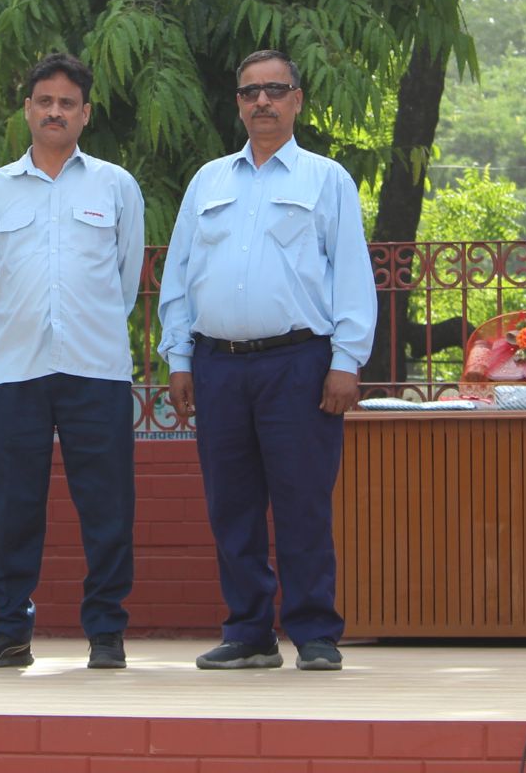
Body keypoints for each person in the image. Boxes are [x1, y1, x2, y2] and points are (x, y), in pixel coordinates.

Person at [159, 49, 377, 673]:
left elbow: (352, 275)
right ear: (237, 103)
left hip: (299, 363)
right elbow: (180, 275)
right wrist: (179, 357)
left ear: (297, 101)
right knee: (232, 505)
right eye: (251, 91)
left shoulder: (326, 180)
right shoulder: (208, 182)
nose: (263, 101)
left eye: (276, 90)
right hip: (218, 365)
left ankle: (315, 632)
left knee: (303, 501)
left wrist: (346, 361)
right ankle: (249, 632)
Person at [0, 54, 145, 669]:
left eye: (67, 103)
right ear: (27, 109)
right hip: (14, 371)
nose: (54, 112)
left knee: (107, 507)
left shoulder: (115, 186)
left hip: (96, 368)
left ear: (85, 114)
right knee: (9, 510)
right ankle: (9, 633)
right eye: (44, 101)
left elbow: (125, 279)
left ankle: (107, 633)